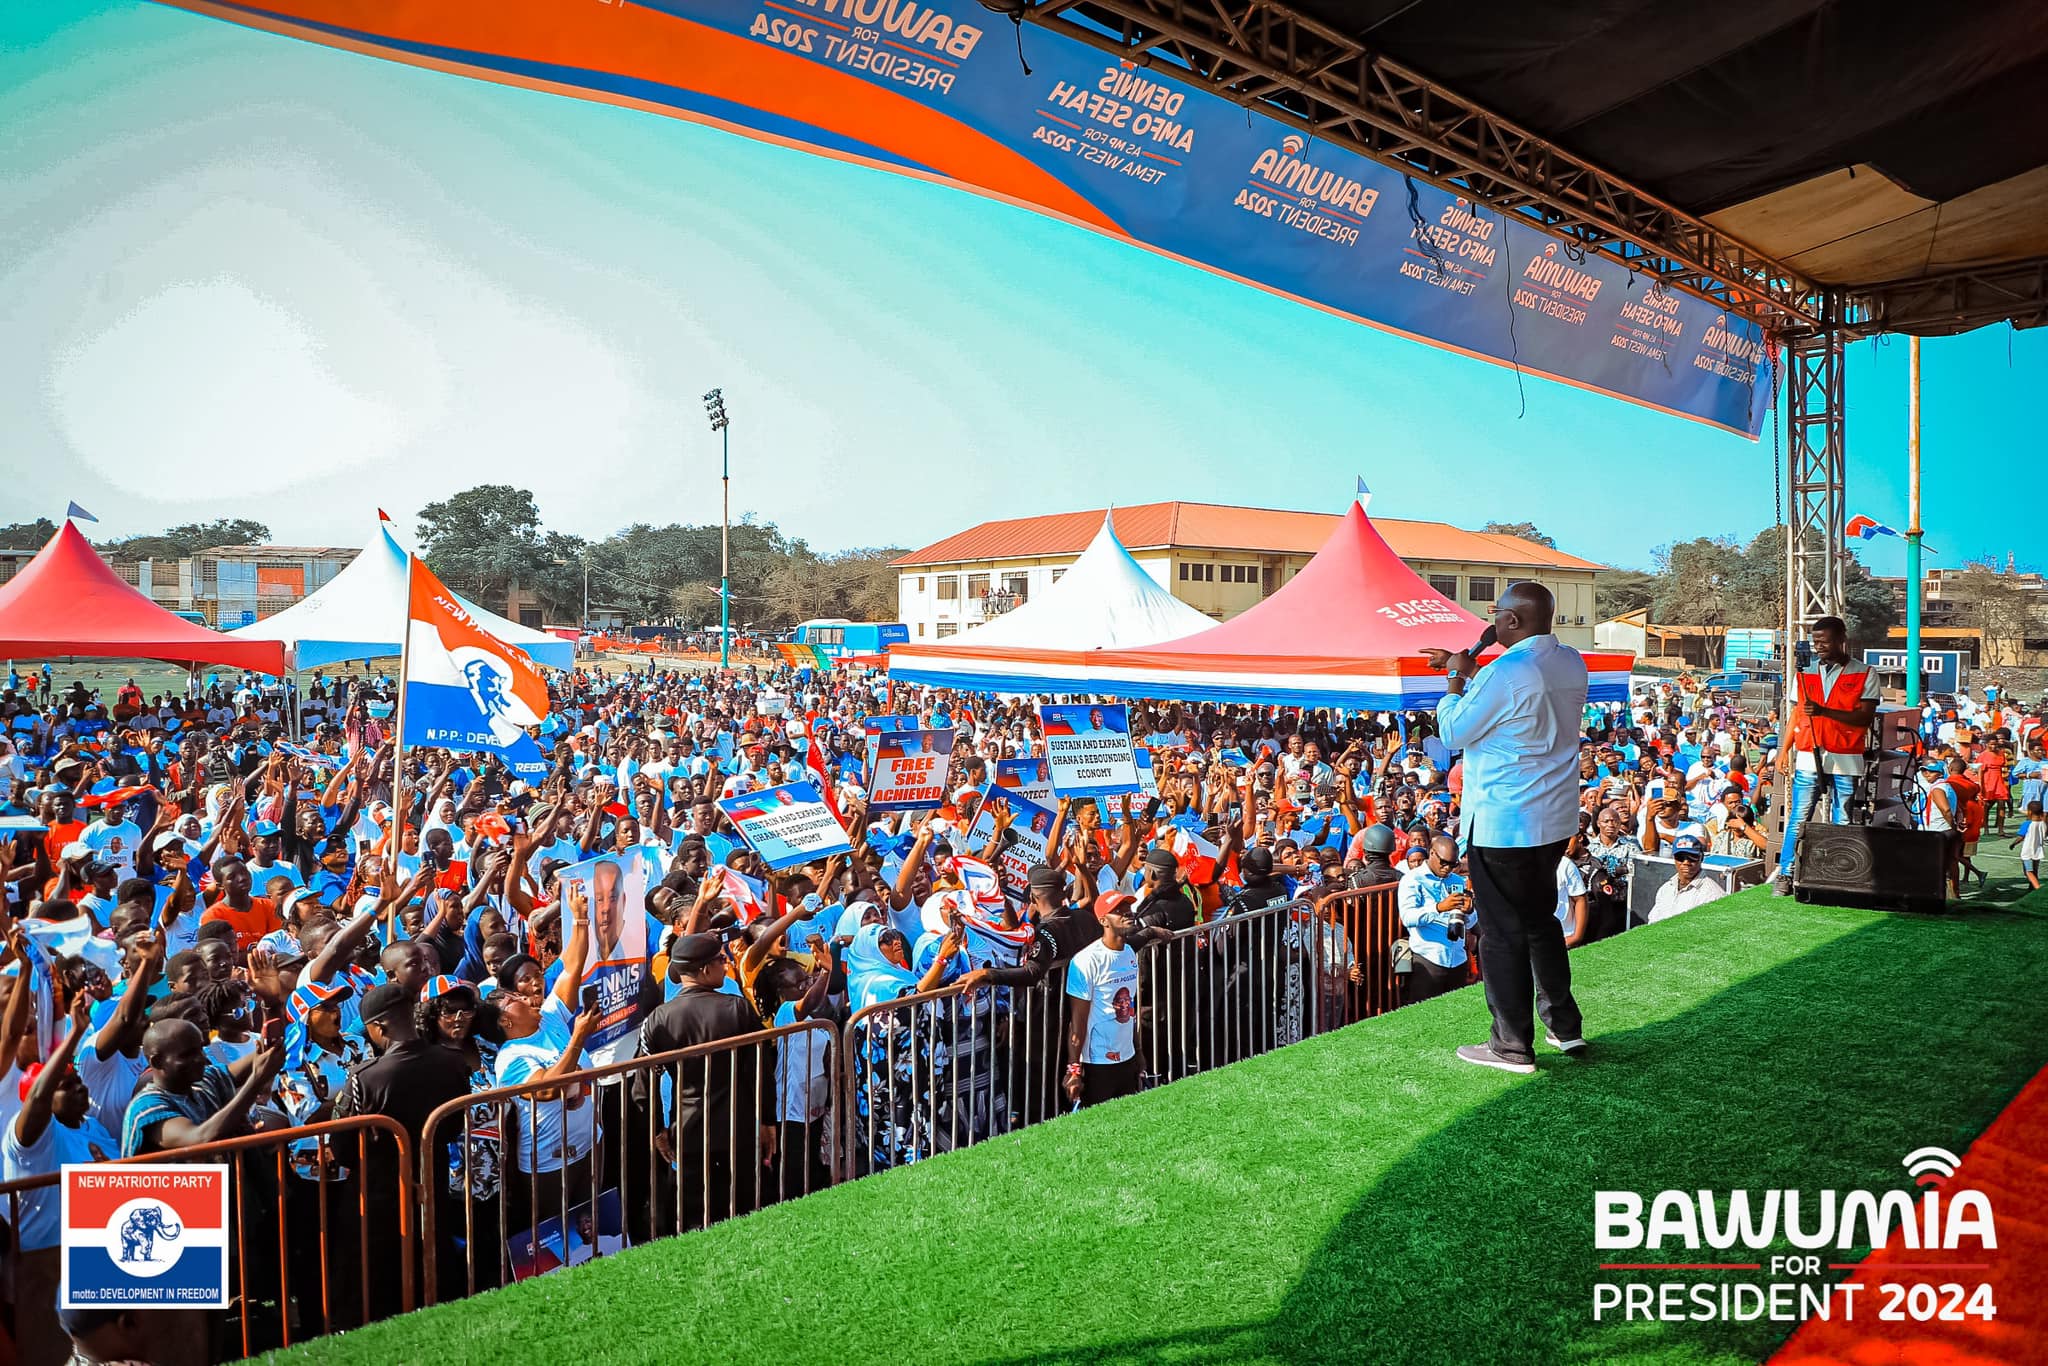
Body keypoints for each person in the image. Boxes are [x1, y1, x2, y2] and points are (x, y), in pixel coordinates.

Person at [1425, 582, 1589, 1073]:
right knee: (1541, 922)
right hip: (1552, 818)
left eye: (1498, 616)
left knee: (1501, 934)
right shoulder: (1570, 661)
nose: (1491, 622)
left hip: (1504, 822)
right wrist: (1471, 668)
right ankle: (1565, 1027)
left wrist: (1455, 681)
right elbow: (1519, 698)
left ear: (1513, 623)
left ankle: (1510, 1046)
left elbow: (1452, 731)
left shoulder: (1508, 671)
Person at [633, 931, 777, 1228]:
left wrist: (658, 1129)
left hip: (687, 1130)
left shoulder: (658, 1020)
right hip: (739, 1125)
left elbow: (643, 1087)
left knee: (692, 1217)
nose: (726, 965)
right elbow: (762, 1067)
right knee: (744, 1210)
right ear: (704, 969)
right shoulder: (736, 1008)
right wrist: (767, 1120)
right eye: (721, 960)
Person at [1772, 617, 1879, 895]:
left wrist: (1824, 712)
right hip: (1809, 754)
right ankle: (1785, 874)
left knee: (1841, 818)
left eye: (1825, 640)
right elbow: (1796, 714)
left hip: (1846, 756)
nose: (1818, 646)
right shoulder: (1804, 673)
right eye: (1815, 640)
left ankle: (1838, 874)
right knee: (1798, 817)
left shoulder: (1865, 672)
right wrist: (1784, 752)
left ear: (1842, 639)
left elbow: (1864, 717)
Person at [1063, 891, 1143, 1107]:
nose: (1127, 914)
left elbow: (1131, 1010)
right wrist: (1074, 1070)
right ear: (1103, 920)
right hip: (1097, 1062)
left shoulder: (1129, 953)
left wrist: (1138, 1053)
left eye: (1127, 908)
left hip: (1127, 1057)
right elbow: (1077, 1025)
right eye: (1118, 911)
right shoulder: (1085, 961)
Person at [1395, 836, 1472, 1005]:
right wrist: (1439, 908)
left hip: (1458, 958)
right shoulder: (1412, 879)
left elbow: (1471, 923)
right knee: (1426, 1018)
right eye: (1444, 862)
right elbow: (1408, 917)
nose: (1447, 868)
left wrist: (1470, 911)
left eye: (1453, 864)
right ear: (1432, 853)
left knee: (1456, 1015)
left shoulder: (1457, 881)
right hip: (1428, 958)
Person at [1649, 834, 1725, 921]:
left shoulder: (1712, 895)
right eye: (1680, 857)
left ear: (1702, 858)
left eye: (1692, 857)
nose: (1686, 862)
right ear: (1673, 858)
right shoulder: (1665, 889)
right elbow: (1652, 921)